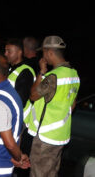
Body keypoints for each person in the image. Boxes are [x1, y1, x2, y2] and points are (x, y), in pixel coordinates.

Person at [27, 36, 80, 177]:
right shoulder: (74, 74)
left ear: (49, 52)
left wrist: (42, 72)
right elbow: (72, 104)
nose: (43, 56)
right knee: (51, 173)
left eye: (44, 53)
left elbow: (33, 95)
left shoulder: (52, 77)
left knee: (39, 173)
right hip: (60, 134)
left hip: (45, 136)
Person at [4, 38, 36, 177]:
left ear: (19, 52)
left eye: (9, 51)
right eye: (5, 50)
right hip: (10, 118)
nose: (5, 54)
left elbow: (20, 101)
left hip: (18, 121)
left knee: (16, 154)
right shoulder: (12, 68)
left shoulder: (26, 72)